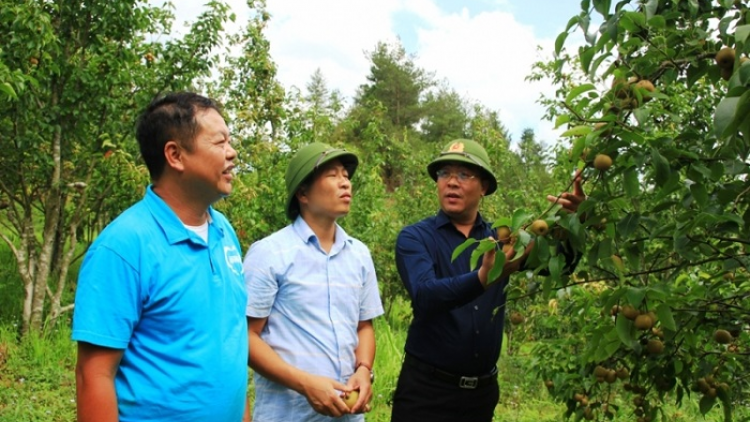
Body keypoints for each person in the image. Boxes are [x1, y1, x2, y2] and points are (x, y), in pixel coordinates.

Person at [72, 92, 249, 422]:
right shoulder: (124, 247)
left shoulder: (223, 231)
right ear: (175, 155)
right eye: (220, 142)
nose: (232, 153)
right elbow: (93, 375)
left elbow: (232, 345)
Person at [390, 138, 585, 422]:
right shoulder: (415, 237)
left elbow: (560, 267)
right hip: (426, 392)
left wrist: (573, 223)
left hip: (481, 395)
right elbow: (425, 296)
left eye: (464, 174)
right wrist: (484, 277)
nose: (451, 182)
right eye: (444, 173)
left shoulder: (504, 239)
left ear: (484, 187)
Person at [244, 142, 384, 421]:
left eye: (346, 175)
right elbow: (246, 337)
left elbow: (364, 326)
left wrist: (363, 370)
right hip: (288, 414)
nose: (345, 182)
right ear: (303, 193)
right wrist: (305, 383)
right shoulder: (270, 253)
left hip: (348, 415)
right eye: (333, 175)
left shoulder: (358, 254)